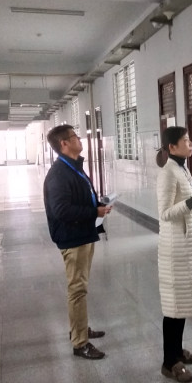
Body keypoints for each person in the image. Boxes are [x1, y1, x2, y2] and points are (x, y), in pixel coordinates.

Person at [43, 124, 111, 360]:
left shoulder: (73, 167)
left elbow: (79, 198)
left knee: (80, 286)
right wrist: (94, 212)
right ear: (64, 143)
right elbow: (61, 210)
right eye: (75, 137)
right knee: (77, 289)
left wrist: (97, 206)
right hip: (73, 238)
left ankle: (80, 328)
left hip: (83, 233)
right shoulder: (59, 175)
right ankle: (80, 342)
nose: (79, 139)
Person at [156, 126, 192, 383]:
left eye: (190, 140)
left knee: (180, 304)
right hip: (175, 250)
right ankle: (169, 362)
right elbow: (165, 213)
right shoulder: (168, 172)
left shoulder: (182, 168)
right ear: (172, 147)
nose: (191, 144)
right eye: (186, 141)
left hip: (186, 247)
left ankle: (178, 352)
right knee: (174, 307)